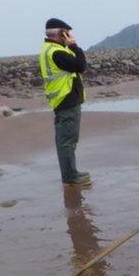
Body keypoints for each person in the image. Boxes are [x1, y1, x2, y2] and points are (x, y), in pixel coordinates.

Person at [39, 18, 91, 186]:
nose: (70, 36)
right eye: (67, 33)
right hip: (66, 99)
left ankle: (70, 173)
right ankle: (70, 176)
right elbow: (81, 65)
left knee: (65, 140)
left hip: (62, 100)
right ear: (61, 33)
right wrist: (74, 46)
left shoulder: (51, 49)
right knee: (67, 141)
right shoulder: (56, 52)